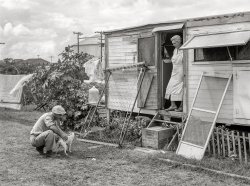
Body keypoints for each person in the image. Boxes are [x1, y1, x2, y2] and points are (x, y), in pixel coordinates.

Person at [164, 35, 184, 112]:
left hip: (181, 70)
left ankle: (182, 106)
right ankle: (173, 105)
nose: (173, 44)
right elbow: (173, 60)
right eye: (172, 43)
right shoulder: (175, 50)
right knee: (170, 86)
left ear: (179, 42)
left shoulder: (184, 49)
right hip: (174, 70)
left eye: (174, 43)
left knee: (180, 88)